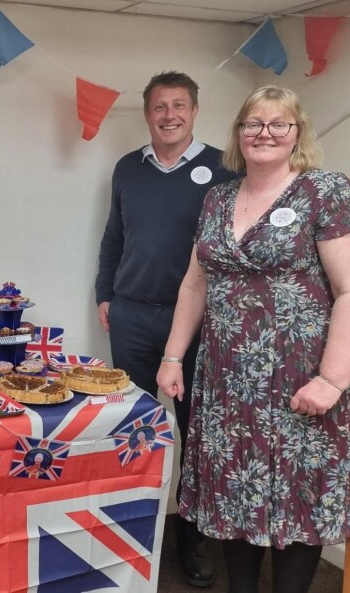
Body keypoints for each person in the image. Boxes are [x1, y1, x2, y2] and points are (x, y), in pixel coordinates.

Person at [158, 85, 350, 593]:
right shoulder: (218, 197)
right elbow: (194, 283)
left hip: (301, 381)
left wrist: (332, 380)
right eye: (253, 124)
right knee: (232, 491)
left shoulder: (324, 192)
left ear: (297, 133)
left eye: (278, 123)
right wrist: (174, 356)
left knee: (296, 496)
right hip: (227, 381)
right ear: (238, 134)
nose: (264, 133)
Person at [95, 71, 236, 587]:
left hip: (198, 324)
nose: (169, 115)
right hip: (131, 314)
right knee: (133, 429)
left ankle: (192, 541)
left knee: (194, 433)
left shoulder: (224, 168)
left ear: (195, 111)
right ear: (147, 114)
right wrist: (104, 293)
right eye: (159, 106)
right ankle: (129, 531)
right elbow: (114, 236)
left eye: (179, 105)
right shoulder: (127, 169)